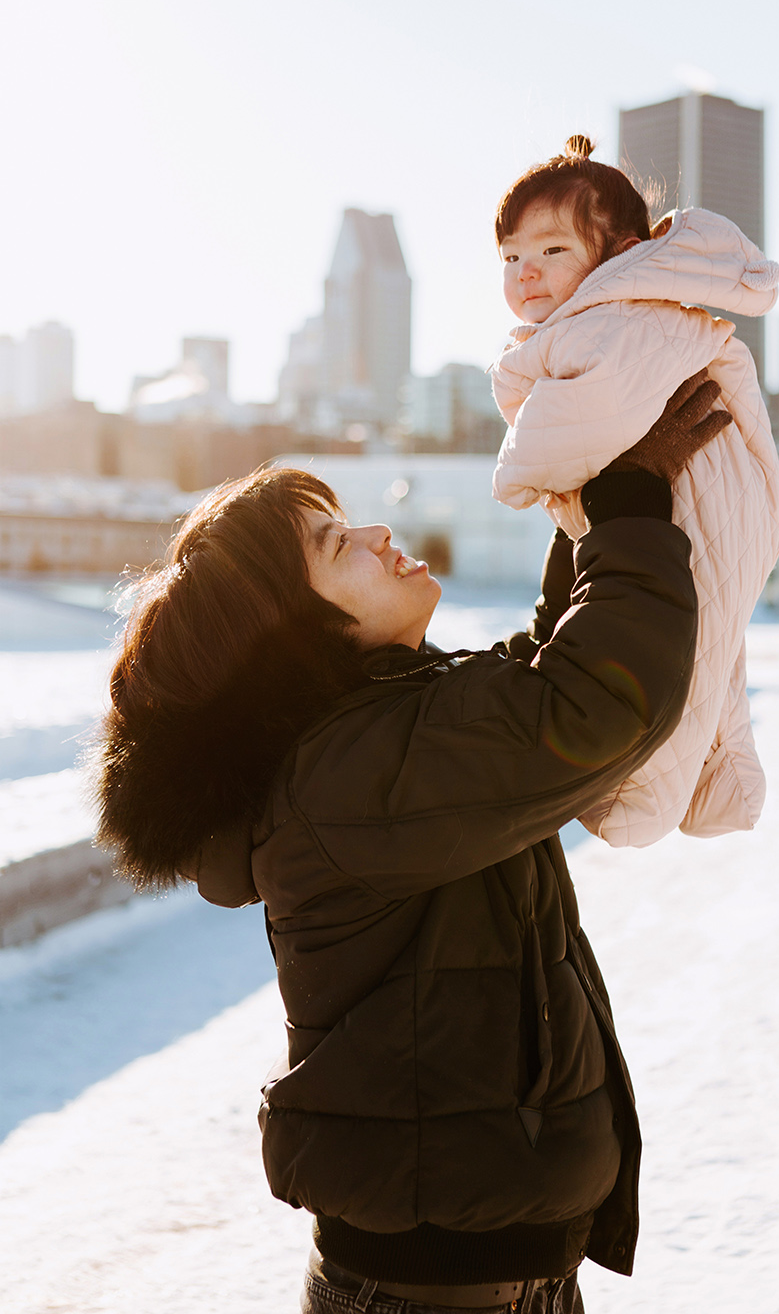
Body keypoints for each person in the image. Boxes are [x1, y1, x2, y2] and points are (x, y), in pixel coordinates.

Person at [92, 375, 729, 1314]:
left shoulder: (375, 732)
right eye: (332, 543)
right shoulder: (350, 776)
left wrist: (590, 510)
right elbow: (592, 701)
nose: (375, 536)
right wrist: (625, 508)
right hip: (440, 1290)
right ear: (290, 631)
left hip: (476, 1273)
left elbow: (534, 683)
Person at [491, 136, 779, 848]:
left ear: (619, 254)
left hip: (695, 496)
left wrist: (521, 471)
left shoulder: (614, 320)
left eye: (552, 251)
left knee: (694, 652)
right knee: (708, 653)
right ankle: (724, 783)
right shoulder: (621, 314)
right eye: (509, 258)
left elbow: (581, 424)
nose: (526, 272)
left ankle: (642, 801)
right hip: (709, 507)